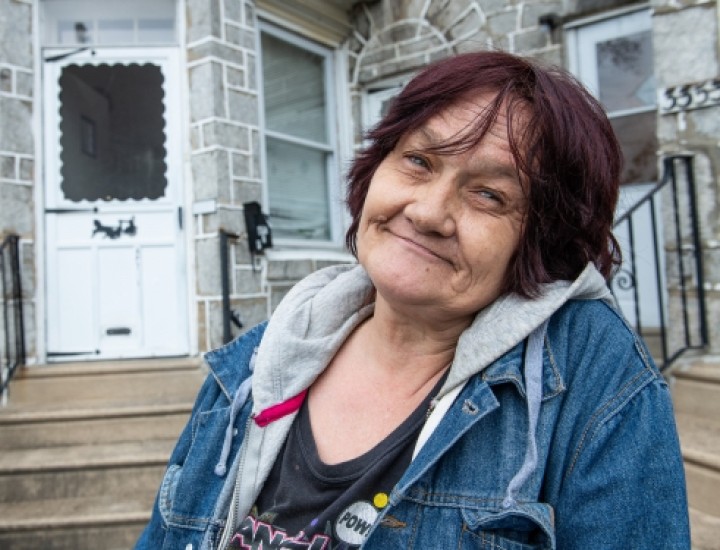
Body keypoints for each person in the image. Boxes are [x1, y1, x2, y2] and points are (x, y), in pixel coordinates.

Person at [136, 51, 690, 550]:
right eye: (419, 162)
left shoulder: (593, 378)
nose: (427, 212)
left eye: (489, 195)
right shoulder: (258, 364)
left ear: (542, 241)